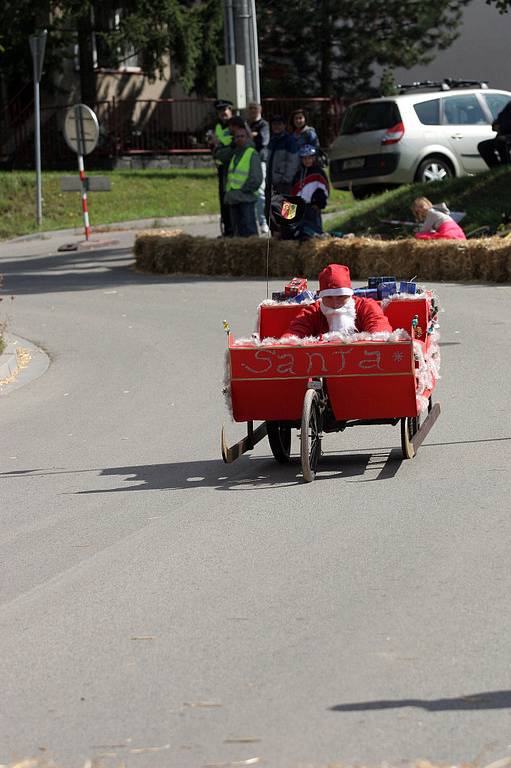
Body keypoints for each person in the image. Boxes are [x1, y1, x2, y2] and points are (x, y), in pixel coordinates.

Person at [285, 264, 392, 338]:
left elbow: (380, 329)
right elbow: (294, 334)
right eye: (329, 297)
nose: (335, 304)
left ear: (350, 295)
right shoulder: (312, 312)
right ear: (321, 297)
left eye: (341, 297)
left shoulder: (366, 306)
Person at [223, 124, 263, 238]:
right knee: (238, 233)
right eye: (237, 137)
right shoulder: (234, 154)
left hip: (246, 198)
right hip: (234, 198)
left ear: (247, 138)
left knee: (249, 231)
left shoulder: (252, 153)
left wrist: (243, 190)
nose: (239, 138)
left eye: (242, 136)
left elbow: (256, 178)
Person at [208, 99, 234, 237]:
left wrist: (218, 143)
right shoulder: (217, 126)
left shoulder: (235, 125)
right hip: (222, 167)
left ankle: (235, 230)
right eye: (220, 111)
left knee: (234, 200)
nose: (223, 113)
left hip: (234, 168)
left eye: (225, 110)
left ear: (230, 110)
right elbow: (213, 144)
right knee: (223, 199)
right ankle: (228, 230)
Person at [265, 115, 300, 222]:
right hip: (272, 182)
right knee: (272, 210)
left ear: (284, 125)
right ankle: (276, 233)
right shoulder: (272, 140)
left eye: (279, 124)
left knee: (287, 211)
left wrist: (286, 179)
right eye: (274, 124)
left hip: (285, 183)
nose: (276, 127)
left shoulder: (289, 140)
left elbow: (293, 162)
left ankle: (289, 234)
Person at [290, 144, 330, 236]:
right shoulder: (298, 175)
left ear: (314, 158)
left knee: (316, 232)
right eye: (304, 158)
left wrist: (319, 204)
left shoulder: (318, 172)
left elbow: (324, 190)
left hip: (313, 207)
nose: (307, 161)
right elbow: (293, 192)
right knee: (303, 231)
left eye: (309, 158)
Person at [247, 102, 270, 234]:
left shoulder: (264, 125)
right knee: (250, 193)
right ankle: (253, 222)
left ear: (260, 110)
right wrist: (253, 134)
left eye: (255, 109)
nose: (252, 111)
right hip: (247, 162)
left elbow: (263, 141)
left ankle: (263, 222)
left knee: (261, 193)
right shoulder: (246, 124)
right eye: (250, 109)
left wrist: (252, 135)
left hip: (260, 161)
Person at [477, 100, 511, 168]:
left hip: (507, 138)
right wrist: (496, 125)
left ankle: (506, 168)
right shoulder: (509, 106)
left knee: (502, 142)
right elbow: (499, 119)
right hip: (502, 136)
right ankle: (496, 169)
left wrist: (507, 137)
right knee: (483, 146)